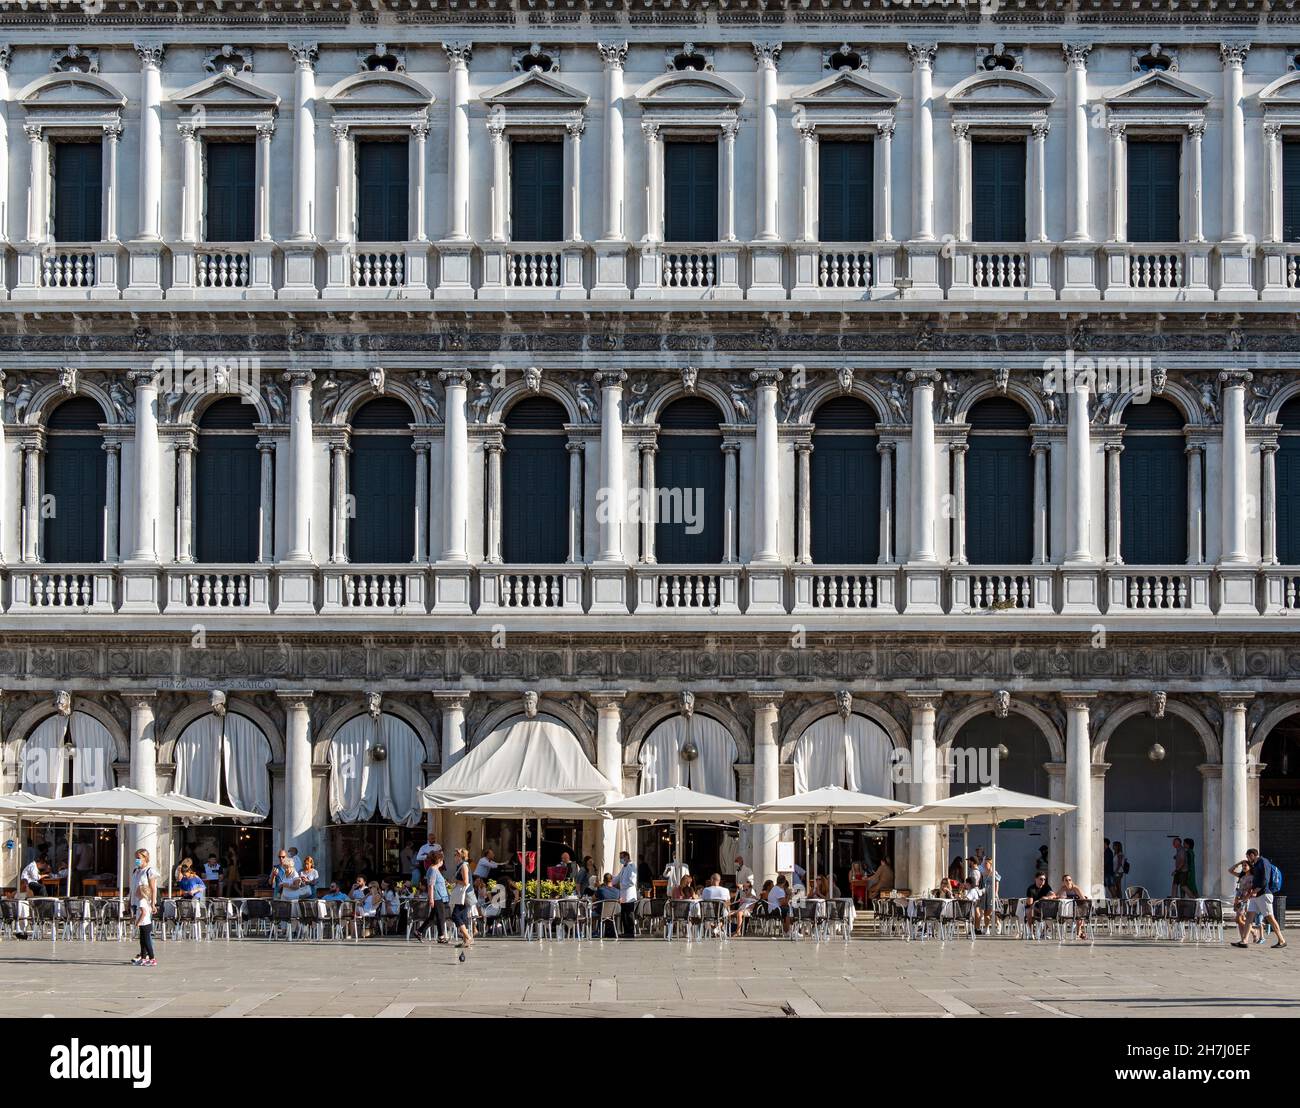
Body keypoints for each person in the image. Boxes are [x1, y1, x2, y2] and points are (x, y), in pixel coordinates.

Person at [1233, 848, 1286, 949]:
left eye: (1248, 856)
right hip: (1255, 895)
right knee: (1249, 917)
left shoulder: (1263, 862)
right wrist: (1251, 893)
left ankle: (1281, 940)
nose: (1247, 859)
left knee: (1270, 918)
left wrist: (1253, 892)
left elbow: (1264, 880)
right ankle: (1244, 941)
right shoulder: (1256, 864)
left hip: (1263, 894)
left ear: (1252, 855)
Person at [130, 848, 159, 967]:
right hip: (136, 901)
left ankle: (149, 956)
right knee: (142, 933)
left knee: (146, 930)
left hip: (145, 901)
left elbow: (153, 888)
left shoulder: (149, 871)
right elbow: (133, 887)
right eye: (136, 857)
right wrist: (129, 900)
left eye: (139, 858)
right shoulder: (136, 871)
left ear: (145, 858)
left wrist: (153, 902)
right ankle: (143, 955)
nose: (137, 860)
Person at [417, 851, 450, 942]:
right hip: (437, 896)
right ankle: (441, 936)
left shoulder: (435, 870)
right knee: (440, 916)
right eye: (442, 860)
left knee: (433, 917)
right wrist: (431, 898)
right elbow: (431, 885)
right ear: (439, 860)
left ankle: (419, 931)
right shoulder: (432, 869)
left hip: (441, 896)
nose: (443, 862)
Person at [449, 855, 475, 950]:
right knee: (463, 917)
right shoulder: (462, 865)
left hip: (464, 895)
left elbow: (465, 882)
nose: (454, 857)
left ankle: (468, 937)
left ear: (460, 857)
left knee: (455, 915)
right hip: (463, 895)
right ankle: (465, 941)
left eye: (455, 855)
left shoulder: (463, 866)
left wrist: (455, 880)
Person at [615, 851, 638, 939]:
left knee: (629, 914)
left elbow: (632, 881)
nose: (621, 860)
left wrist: (620, 885)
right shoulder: (624, 867)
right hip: (624, 895)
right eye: (620, 858)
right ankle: (626, 931)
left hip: (629, 895)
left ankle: (630, 932)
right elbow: (618, 877)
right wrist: (609, 881)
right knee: (624, 913)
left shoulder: (632, 867)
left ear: (627, 857)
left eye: (622, 857)